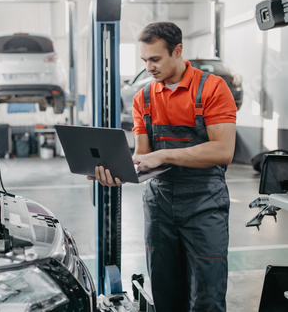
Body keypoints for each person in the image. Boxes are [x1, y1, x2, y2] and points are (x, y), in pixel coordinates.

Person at [88, 21, 237, 311]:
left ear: (178, 51)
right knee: (165, 293)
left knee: (208, 294)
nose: (149, 67)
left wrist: (165, 155)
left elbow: (223, 150)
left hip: (204, 203)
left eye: (155, 59)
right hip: (160, 205)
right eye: (144, 60)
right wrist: (117, 172)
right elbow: (143, 155)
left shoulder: (212, 88)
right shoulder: (143, 97)